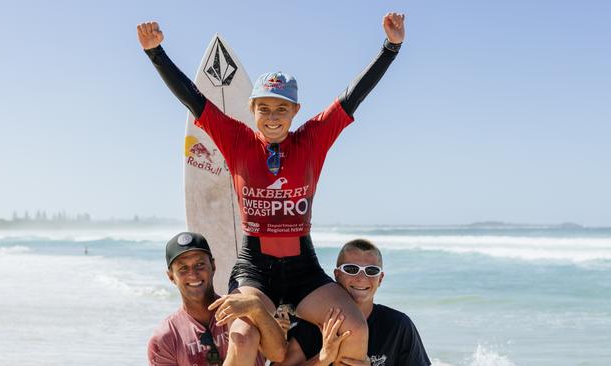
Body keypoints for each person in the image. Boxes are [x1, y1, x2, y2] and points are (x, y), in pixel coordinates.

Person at [138, 12, 405, 365]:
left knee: (353, 328)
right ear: (252, 109)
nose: (272, 115)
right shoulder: (237, 140)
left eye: (281, 108)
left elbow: (352, 97)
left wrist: (390, 48)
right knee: (243, 334)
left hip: (302, 266)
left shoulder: (313, 139)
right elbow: (194, 99)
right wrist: (156, 53)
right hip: (255, 266)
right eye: (264, 107)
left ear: (295, 110)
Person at [275, 239, 431, 366]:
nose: (361, 278)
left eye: (371, 271)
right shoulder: (316, 324)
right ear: (337, 275)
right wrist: (323, 359)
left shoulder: (398, 325)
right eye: (351, 269)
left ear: (380, 279)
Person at [147, 232, 287, 365]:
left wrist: (258, 309)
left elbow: (278, 354)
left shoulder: (244, 311)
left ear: (213, 265)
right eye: (183, 268)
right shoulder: (166, 338)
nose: (193, 274)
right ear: (171, 276)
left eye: (200, 264)